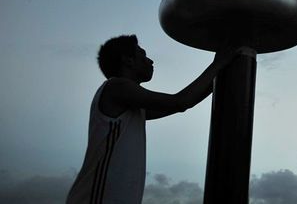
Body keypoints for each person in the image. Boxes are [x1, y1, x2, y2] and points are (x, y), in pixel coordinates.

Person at [66, 34, 254, 204]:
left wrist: (222, 68)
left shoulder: (134, 109)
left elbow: (187, 102)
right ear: (128, 61)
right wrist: (218, 64)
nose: (150, 60)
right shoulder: (116, 87)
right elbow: (181, 102)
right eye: (142, 55)